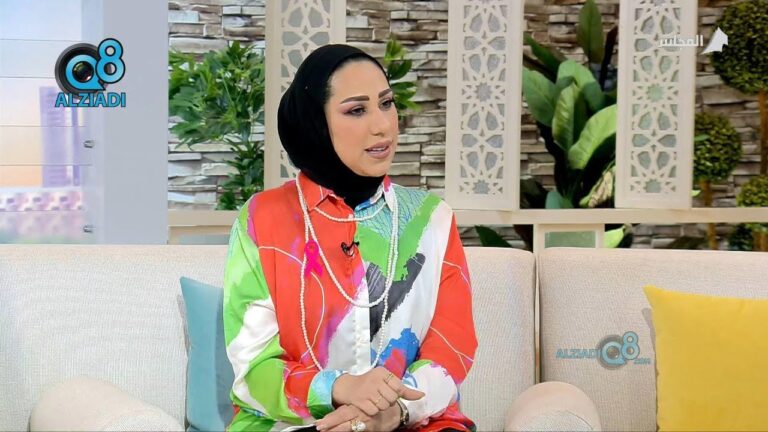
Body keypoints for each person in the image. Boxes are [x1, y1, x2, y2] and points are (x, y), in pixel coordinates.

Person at [223, 44, 477, 432]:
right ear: (316, 123)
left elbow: (451, 349)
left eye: (386, 103)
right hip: (293, 424)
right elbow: (253, 367)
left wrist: (392, 411)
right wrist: (339, 388)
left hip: (409, 422)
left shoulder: (432, 220)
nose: (382, 126)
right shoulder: (262, 219)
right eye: (357, 110)